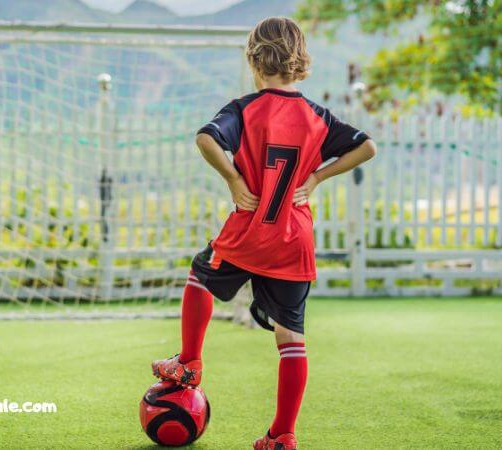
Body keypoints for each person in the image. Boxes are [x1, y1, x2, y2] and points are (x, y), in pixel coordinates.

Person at [151, 16, 376, 450]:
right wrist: (318, 178)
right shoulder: (317, 117)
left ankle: (190, 363)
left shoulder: (244, 108)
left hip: (251, 232)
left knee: (200, 275)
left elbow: (206, 139)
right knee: (291, 337)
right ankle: (283, 435)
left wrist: (235, 180)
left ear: (254, 60)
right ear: (301, 63)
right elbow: (367, 146)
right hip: (295, 240)